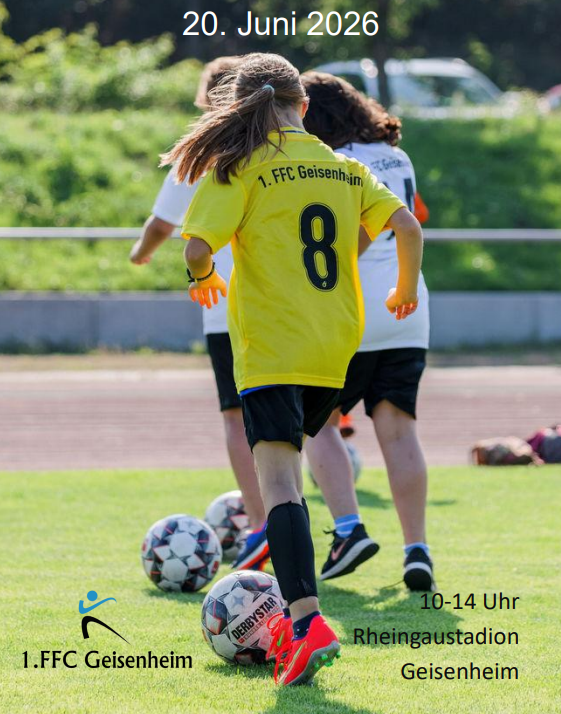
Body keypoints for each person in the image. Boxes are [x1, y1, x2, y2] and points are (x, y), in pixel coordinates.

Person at [161, 52, 423, 686]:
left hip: (272, 348)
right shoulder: (345, 166)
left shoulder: (239, 168)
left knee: (280, 484)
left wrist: (201, 277)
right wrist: (402, 290)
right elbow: (407, 226)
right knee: (299, 468)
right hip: (335, 347)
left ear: (239, 110)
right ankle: (309, 603)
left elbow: (195, 247)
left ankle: (305, 624)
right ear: (303, 106)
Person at [129, 57, 269, 571]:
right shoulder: (281, 146)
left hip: (226, 304)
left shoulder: (203, 153)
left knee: (237, 416)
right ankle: (297, 518)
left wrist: (140, 254)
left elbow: (162, 224)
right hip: (286, 304)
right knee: (287, 417)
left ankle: (262, 525)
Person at [301, 71, 432, 591]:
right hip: (408, 303)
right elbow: (412, 220)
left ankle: (348, 529)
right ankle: (417, 549)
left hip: (351, 308)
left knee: (317, 423)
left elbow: (350, 239)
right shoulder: (397, 156)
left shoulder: (333, 161)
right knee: (399, 430)